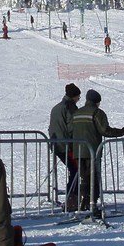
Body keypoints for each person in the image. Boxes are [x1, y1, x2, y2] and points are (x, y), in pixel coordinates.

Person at [71, 89, 124, 214]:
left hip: (78, 151)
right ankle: (92, 203)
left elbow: (71, 130)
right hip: (92, 151)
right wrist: (122, 132)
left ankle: (83, 201)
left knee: (83, 177)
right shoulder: (97, 113)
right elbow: (105, 130)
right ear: (97, 101)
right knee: (93, 177)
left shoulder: (77, 113)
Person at [49, 83, 82, 211]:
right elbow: (72, 127)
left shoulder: (56, 108)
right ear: (74, 96)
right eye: (78, 97)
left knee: (74, 170)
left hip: (57, 145)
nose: (78, 99)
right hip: (67, 145)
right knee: (76, 170)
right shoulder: (70, 108)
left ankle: (73, 198)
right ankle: (71, 199)